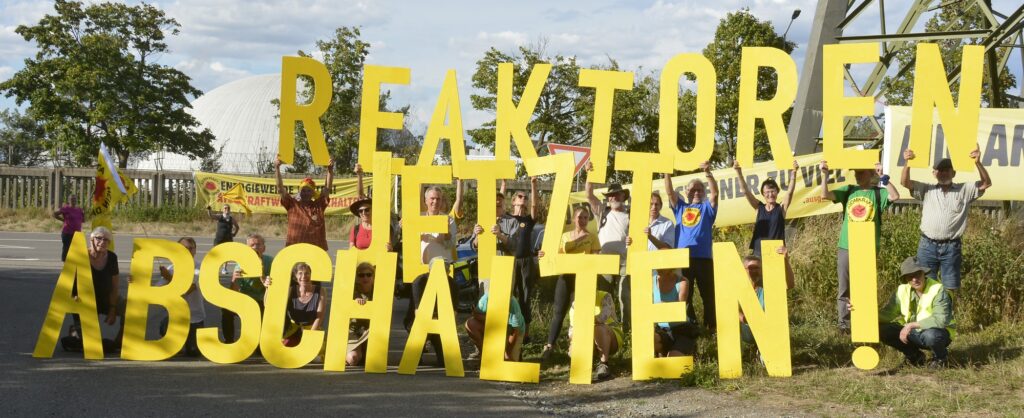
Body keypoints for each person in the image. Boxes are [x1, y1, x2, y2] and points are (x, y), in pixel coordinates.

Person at [819, 160, 900, 333]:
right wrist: (825, 175)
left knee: (866, 286)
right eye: (856, 172)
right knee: (845, 287)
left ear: (871, 174)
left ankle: (865, 321)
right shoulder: (848, 190)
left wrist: (883, 178)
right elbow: (824, 195)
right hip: (846, 246)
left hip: (868, 247)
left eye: (861, 172)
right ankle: (844, 324)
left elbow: (895, 196)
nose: (857, 175)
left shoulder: (879, 193)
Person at [900, 148, 992, 292]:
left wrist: (978, 163)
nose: (943, 173)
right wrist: (908, 162)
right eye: (939, 170)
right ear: (934, 173)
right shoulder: (926, 189)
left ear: (953, 173)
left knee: (951, 288)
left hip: (951, 247)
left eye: (946, 170)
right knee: (924, 287)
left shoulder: (964, 189)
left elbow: (986, 183)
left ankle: (947, 314)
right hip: (927, 246)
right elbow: (905, 182)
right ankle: (927, 314)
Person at [540, 206, 601, 362]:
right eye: (580, 217)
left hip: (584, 278)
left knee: (584, 313)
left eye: (586, 218)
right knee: (559, 312)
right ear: (574, 219)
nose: (582, 220)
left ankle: (584, 348)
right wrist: (544, 255)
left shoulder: (593, 237)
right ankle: (549, 346)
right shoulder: (565, 236)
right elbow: (557, 257)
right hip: (566, 277)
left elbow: (595, 258)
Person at [407, 185, 458, 366]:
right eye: (432, 199)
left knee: (439, 316)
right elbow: (404, 238)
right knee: (413, 316)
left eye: (438, 199)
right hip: (419, 272)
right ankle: (416, 352)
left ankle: (442, 354)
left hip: (441, 272)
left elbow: (452, 243)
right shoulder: (417, 218)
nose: (435, 202)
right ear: (425, 200)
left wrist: (443, 236)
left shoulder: (448, 220)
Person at [665, 161, 719, 331]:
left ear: (703, 193)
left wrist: (708, 172)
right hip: (683, 258)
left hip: (704, 257)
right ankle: (690, 325)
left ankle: (711, 326)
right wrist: (667, 172)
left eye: (700, 190)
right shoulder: (680, 207)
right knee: (685, 294)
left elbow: (715, 194)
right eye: (693, 190)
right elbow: (669, 192)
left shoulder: (707, 208)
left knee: (708, 294)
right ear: (686, 193)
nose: (696, 192)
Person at [877, 256, 955, 368]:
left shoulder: (938, 289)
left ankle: (941, 358)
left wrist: (911, 325)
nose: (914, 279)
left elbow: (941, 320)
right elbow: (888, 314)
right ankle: (915, 357)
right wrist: (860, 311)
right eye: (910, 276)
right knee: (881, 329)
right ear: (906, 279)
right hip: (913, 333)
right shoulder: (902, 290)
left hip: (938, 333)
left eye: (917, 274)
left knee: (931, 336)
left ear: (924, 273)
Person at [584, 161, 632, 331]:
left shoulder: (632, 214)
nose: (613, 197)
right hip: (605, 261)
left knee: (625, 296)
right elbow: (589, 195)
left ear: (623, 196)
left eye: (617, 194)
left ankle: (626, 329)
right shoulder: (602, 211)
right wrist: (589, 173)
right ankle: (608, 327)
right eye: (610, 195)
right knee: (606, 296)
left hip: (626, 261)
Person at [67, 227, 124, 351]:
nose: (102, 242)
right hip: (84, 301)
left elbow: (115, 286)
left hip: (106, 298)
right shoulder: (81, 256)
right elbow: (69, 281)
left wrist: (113, 309)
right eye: (99, 238)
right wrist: (74, 297)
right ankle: (75, 333)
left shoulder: (112, 257)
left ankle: (119, 342)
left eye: (106, 240)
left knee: (130, 307)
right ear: (91, 239)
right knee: (92, 345)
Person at [734, 160, 799, 256]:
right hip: (758, 253)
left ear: (777, 192)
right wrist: (738, 172)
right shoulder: (758, 207)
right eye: (767, 192)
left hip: (777, 252)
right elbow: (745, 191)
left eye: (773, 191)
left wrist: (794, 174)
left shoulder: (781, 208)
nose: (770, 194)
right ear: (763, 194)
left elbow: (789, 192)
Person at [738, 246, 795, 349]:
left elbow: (789, 284)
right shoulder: (737, 286)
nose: (754, 271)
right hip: (744, 328)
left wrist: (785, 261)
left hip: (766, 329)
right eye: (750, 268)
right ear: (743, 270)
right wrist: (743, 318)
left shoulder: (767, 286)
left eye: (757, 268)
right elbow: (727, 309)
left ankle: (766, 351)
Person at [157, 237, 204, 357]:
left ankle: (186, 341)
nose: (187, 251)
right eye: (183, 248)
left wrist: (169, 278)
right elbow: (157, 291)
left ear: (195, 250)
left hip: (195, 317)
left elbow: (187, 290)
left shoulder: (200, 268)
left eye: (190, 248)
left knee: (193, 352)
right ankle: (168, 328)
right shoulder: (171, 268)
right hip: (175, 315)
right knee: (165, 326)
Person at [275, 157, 334, 251]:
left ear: (312, 193)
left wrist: (330, 170)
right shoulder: (292, 204)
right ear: (299, 192)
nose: (306, 193)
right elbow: (280, 189)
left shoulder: (319, 205)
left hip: (316, 250)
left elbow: (327, 188)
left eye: (308, 190)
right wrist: (277, 168)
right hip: (295, 249)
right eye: (303, 190)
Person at [226, 233, 274, 343]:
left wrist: (261, 274)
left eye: (258, 244)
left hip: (263, 300)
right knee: (226, 311)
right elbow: (233, 291)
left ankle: (262, 341)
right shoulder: (240, 264)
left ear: (264, 248)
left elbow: (275, 290)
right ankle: (229, 341)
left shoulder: (271, 262)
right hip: (246, 300)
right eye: (252, 245)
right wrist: (234, 280)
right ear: (247, 248)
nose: (255, 247)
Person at [568, 289, 622, 382]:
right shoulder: (575, 302)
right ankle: (585, 364)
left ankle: (604, 363)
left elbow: (602, 318)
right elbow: (572, 330)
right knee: (573, 349)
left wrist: (584, 320)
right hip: (588, 336)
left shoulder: (605, 296)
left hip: (610, 335)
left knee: (598, 329)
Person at [275, 262, 327, 347]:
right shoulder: (290, 290)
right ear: (295, 276)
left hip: (313, 328)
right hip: (293, 329)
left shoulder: (321, 291)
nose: (303, 277)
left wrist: (309, 338)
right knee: (284, 350)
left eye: (307, 273)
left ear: (312, 275)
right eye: (300, 273)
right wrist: (267, 288)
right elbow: (270, 304)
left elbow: (319, 317)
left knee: (320, 354)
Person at [465, 292, 526, 362]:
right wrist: (494, 319)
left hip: (512, 332)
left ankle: (512, 352)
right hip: (496, 328)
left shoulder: (513, 303)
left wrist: (508, 352)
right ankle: (484, 353)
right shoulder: (487, 297)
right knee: (471, 324)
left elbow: (515, 331)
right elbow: (475, 314)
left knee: (509, 361)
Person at [652, 267, 698, 357]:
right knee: (649, 339)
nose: (658, 267)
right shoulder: (651, 281)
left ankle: (688, 348)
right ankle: (663, 350)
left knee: (673, 358)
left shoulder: (682, 282)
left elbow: (678, 311)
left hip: (681, 330)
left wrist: (661, 306)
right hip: (662, 330)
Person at [350, 163, 395, 251]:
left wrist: (390, 250)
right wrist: (359, 176)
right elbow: (351, 251)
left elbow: (389, 250)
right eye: (360, 211)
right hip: (361, 264)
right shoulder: (355, 229)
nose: (363, 213)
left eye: (367, 210)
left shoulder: (383, 228)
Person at [346, 262, 376, 366]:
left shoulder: (379, 291)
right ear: (357, 277)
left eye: (369, 274)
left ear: (373, 276)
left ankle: (364, 351)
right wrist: (354, 301)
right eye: (361, 275)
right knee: (352, 360)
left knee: (373, 361)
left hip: (372, 331)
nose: (365, 277)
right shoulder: (352, 290)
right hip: (355, 331)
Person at [53, 194, 84, 262]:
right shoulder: (66, 208)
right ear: (68, 200)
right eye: (72, 199)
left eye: (75, 199)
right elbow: (55, 214)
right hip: (67, 232)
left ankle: (73, 263)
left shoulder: (79, 209)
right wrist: (62, 220)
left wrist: (83, 213)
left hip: (77, 233)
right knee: (67, 249)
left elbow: (83, 220)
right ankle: (65, 263)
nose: (73, 201)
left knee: (77, 250)